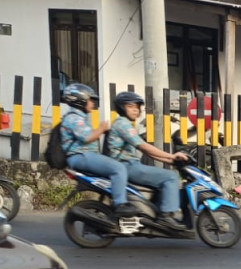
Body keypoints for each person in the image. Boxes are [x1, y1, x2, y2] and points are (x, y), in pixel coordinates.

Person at [106, 91, 187, 232]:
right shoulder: (122, 124)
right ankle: (166, 216)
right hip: (128, 167)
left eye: (137, 107)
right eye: (131, 106)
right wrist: (171, 156)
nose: (135, 110)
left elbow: (148, 151)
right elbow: (144, 147)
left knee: (166, 175)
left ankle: (155, 212)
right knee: (171, 177)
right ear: (122, 107)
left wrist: (171, 159)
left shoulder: (125, 124)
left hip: (130, 165)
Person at [58, 83, 130, 216]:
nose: (93, 104)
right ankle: (120, 204)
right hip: (81, 156)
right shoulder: (74, 119)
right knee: (119, 168)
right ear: (81, 101)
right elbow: (87, 137)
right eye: (90, 100)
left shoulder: (79, 118)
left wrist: (103, 131)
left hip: (84, 156)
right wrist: (101, 128)